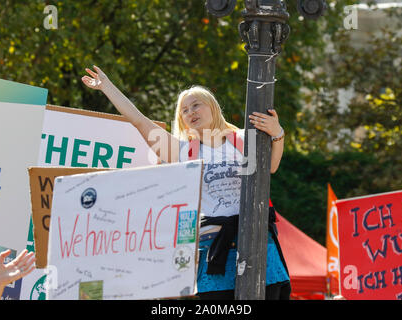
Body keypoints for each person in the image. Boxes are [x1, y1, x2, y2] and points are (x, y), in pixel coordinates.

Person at [82, 66, 290, 300]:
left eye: (195, 105)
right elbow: (139, 121)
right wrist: (107, 87)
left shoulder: (242, 139)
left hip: (257, 242)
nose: (190, 112)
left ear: (211, 107)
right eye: (184, 110)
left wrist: (277, 133)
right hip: (214, 247)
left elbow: (270, 166)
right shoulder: (183, 152)